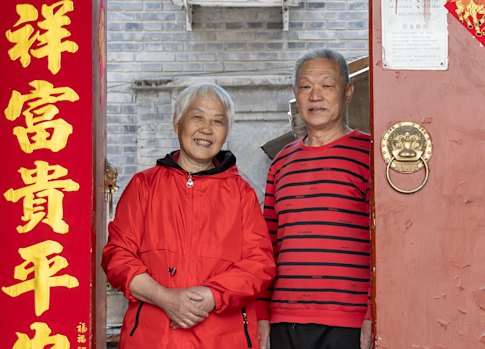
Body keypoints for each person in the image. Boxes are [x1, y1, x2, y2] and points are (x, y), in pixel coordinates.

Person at [101, 82, 276, 348]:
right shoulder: (144, 186)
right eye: (197, 117)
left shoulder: (242, 194)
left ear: (226, 132)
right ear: (177, 122)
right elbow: (117, 256)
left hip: (222, 340)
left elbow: (259, 264)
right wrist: (164, 298)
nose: (206, 129)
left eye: (218, 121)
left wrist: (213, 296)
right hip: (152, 339)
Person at [256, 48, 372, 349]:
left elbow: (385, 245)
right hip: (286, 320)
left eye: (327, 85)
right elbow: (267, 244)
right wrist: (262, 312)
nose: (315, 95)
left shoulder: (370, 154)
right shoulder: (281, 162)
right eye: (306, 86)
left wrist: (373, 313)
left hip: (347, 322)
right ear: (296, 93)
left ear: (348, 92)